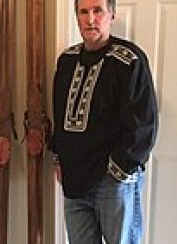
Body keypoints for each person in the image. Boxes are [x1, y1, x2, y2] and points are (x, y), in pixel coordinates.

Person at [51, 0, 158, 243]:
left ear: (111, 14)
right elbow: (60, 113)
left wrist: (119, 169)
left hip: (112, 182)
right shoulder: (66, 61)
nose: (90, 19)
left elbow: (144, 123)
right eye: (84, 12)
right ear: (76, 17)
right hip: (74, 179)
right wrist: (58, 156)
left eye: (98, 11)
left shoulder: (129, 60)